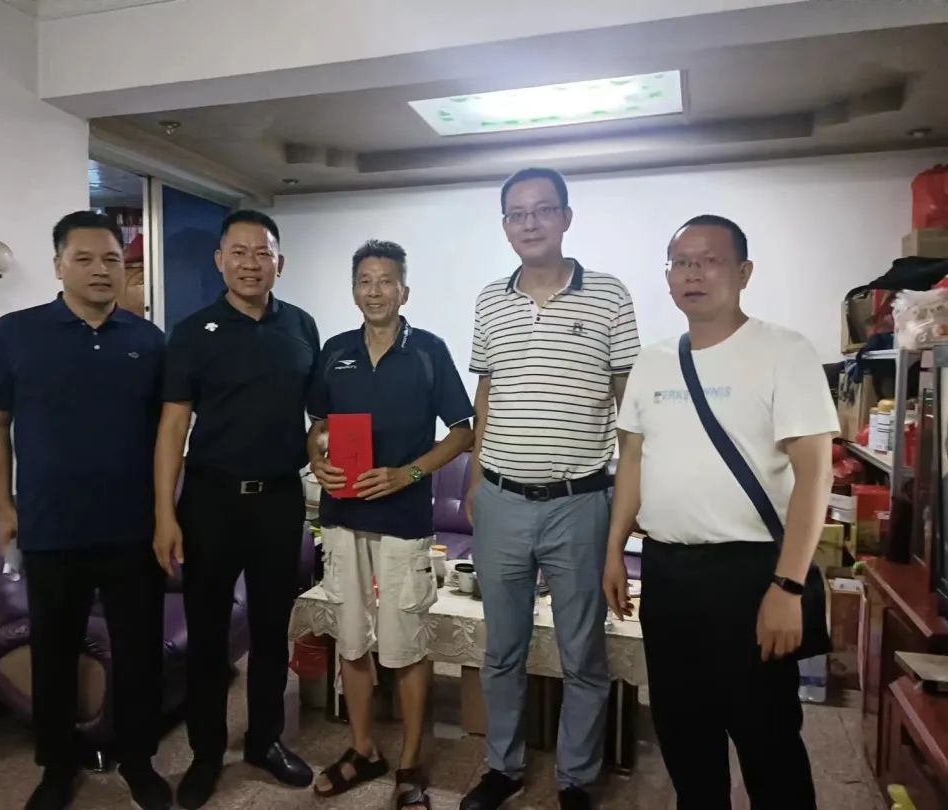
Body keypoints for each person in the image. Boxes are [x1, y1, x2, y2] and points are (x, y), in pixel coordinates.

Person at [603, 214, 835, 809]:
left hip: (752, 574)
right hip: (667, 573)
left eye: (710, 260)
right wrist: (614, 551)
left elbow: (816, 476)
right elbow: (632, 461)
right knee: (685, 738)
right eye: (681, 263)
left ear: (743, 272)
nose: (693, 274)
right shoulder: (653, 362)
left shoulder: (784, 351)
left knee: (768, 741)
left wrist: (787, 586)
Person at [0, 211, 170, 810]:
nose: (100, 270)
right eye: (84, 259)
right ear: (58, 265)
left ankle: (139, 761)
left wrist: (166, 514)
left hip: (132, 530)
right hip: (51, 528)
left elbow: (168, 433)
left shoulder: (148, 341)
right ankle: (57, 766)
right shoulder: (15, 333)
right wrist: (4, 506)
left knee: (138, 653)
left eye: (112, 259)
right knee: (54, 654)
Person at [461, 168, 640, 810]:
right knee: (502, 651)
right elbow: (486, 394)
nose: (529, 223)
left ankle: (576, 779)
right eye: (517, 213)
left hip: (579, 503)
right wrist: (475, 482)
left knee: (582, 654)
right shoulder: (490, 300)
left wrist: (627, 508)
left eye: (542, 210)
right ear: (505, 226)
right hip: (501, 501)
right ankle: (503, 768)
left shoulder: (610, 296)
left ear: (566, 217)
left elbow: (628, 409)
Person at [153, 209, 319, 809]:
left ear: (280, 262)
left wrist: (327, 450)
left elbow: (317, 416)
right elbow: (173, 427)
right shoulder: (192, 332)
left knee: (272, 629)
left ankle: (265, 741)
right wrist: (165, 514)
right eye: (240, 252)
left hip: (279, 499)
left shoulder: (301, 325)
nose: (252, 263)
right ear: (220, 260)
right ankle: (204, 754)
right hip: (211, 500)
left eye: (263, 252)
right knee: (209, 634)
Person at [307, 240, 475, 810]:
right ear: (353, 289)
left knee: (405, 645)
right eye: (365, 281)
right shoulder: (335, 351)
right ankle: (362, 750)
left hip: (403, 521)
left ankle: (410, 763)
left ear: (404, 290)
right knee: (352, 640)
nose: (374, 291)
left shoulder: (428, 351)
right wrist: (316, 460)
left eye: (385, 281)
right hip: (342, 517)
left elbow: (463, 430)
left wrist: (410, 473)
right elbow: (318, 426)